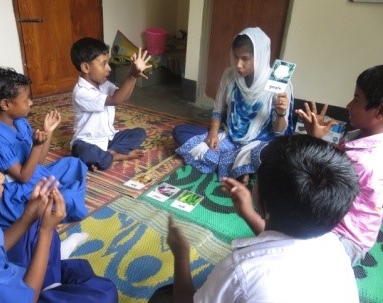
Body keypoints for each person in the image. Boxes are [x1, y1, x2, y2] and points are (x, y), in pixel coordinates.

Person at [162, 135, 359, 303]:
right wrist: (248, 213)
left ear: (262, 203)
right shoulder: (335, 247)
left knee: (163, 295)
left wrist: (181, 253)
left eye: (256, 180)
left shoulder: (240, 270)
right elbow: (283, 242)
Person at [0, 132, 118, 302]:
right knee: (103, 294)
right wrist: (46, 231)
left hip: (6, 280)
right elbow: (29, 297)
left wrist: (28, 216)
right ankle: (52, 279)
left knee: (34, 226)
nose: (1, 178)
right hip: (26, 294)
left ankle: (53, 276)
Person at [172, 27, 294, 184]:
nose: (238, 64)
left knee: (278, 159)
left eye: (245, 58)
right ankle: (237, 167)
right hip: (229, 137)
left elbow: (279, 132)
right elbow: (218, 109)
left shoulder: (278, 81)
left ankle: (233, 164)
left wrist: (281, 113)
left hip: (259, 144)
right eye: (235, 57)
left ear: (260, 56)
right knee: (180, 132)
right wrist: (214, 133)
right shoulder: (229, 75)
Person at [0, 66, 88, 229]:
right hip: (17, 191)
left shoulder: (20, 121)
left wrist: (47, 132)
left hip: (35, 174)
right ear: (6, 104)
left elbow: (39, 161)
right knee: (69, 198)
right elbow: (23, 177)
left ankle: (57, 194)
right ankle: (54, 203)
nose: (31, 102)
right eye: (26, 99)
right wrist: (36, 145)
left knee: (74, 163)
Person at [295, 65, 383, 265]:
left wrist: (315, 141)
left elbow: (320, 179)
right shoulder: (365, 137)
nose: (348, 105)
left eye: (357, 100)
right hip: (348, 219)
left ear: (379, 110)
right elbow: (336, 155)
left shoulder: (366, 160)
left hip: (345, 236)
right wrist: (316, 138)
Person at [70, 37, 150, 172]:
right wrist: (131, 74)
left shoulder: (103, 84)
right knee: (84, 152)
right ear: (85, 67)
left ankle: (108, 154)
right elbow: (115, 100)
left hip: (108, 139)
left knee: (139, 133)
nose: (109, 69)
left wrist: (134, 76)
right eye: (103, 64)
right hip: (87, 142)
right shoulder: (81, 92)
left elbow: (123, 96)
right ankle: (116, 156)